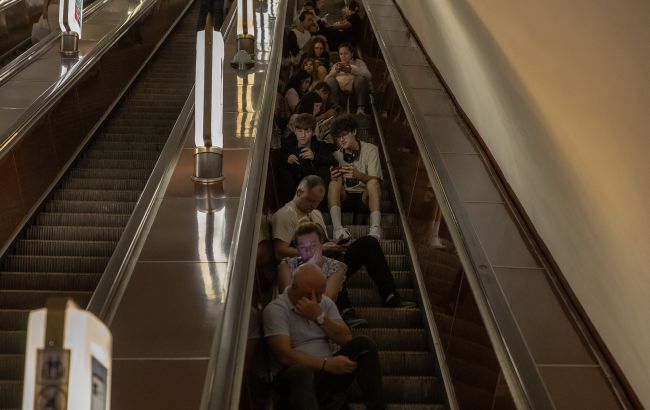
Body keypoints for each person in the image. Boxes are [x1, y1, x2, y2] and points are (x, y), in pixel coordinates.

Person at [271, 175, 416, 328]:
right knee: (332, 256)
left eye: (318, 201)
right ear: (299, 192)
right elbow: (280, 251)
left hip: (326, 261)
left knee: (369, 243)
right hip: (305, 270)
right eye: (310, 200)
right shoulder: (285, 214)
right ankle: (345, 311)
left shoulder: (316, 214)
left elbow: (323, 244)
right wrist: (318, 251)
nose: (313, 205)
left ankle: (390, 295)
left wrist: (336, 244)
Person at [263, 263, 386, 410]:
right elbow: (285, 356)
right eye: (309, 294)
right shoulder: (276, 310)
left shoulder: (324, 302)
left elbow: (346, 338)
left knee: (364, 345)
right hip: (294, 379)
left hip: (326, 375)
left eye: (320, 293)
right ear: (294, 287)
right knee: (302, 372)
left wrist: (319, 317)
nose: (316, 299)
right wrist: (327, 364)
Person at [328, 114, 383, 241]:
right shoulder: (336, 155)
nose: (342, 140)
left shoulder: (371, 149)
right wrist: (333, 177)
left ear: (354, 132)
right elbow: (336, 184)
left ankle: (375, 228)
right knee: (333, 184)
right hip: (345, 197)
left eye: (344, 135)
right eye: (338, 137)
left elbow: (376, 180)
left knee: (373, 183)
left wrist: (359, 175)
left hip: (364, 197)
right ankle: (338, 230)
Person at [277, 220, 346, 301]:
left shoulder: (337, 267)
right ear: (297, 249)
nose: (308, 251)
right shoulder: (286, 265)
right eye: (303, 247)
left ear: (321, 243)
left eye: (313, 245)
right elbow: (288, 300)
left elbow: (325, 300)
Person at [278, 114, 337, 204]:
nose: (303, 135)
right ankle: (294, 205)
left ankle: (316, 204)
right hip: (294, 186)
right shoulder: (287, 146)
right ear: (295, 131)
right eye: (299, 131)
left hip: (314, 185)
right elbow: (278, 156)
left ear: (313, 133)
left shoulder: (320, 146)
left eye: (307, 131)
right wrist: (287, 158)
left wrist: (314, 157)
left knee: (325, 169)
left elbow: (334, 161)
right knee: (283, 170)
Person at [325, 43, 371, 115]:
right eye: (341, 54)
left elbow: (368, 76)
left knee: (360, 79)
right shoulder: (336, 65)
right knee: (330, 80)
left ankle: (361, 108)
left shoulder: (358, 62)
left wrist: (351, 69)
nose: (343, 56)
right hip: (340, 96)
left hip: (355, 96)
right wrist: (335, 71)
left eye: (346, 53)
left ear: (351, 54)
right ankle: (335, 108)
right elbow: (326, 80)